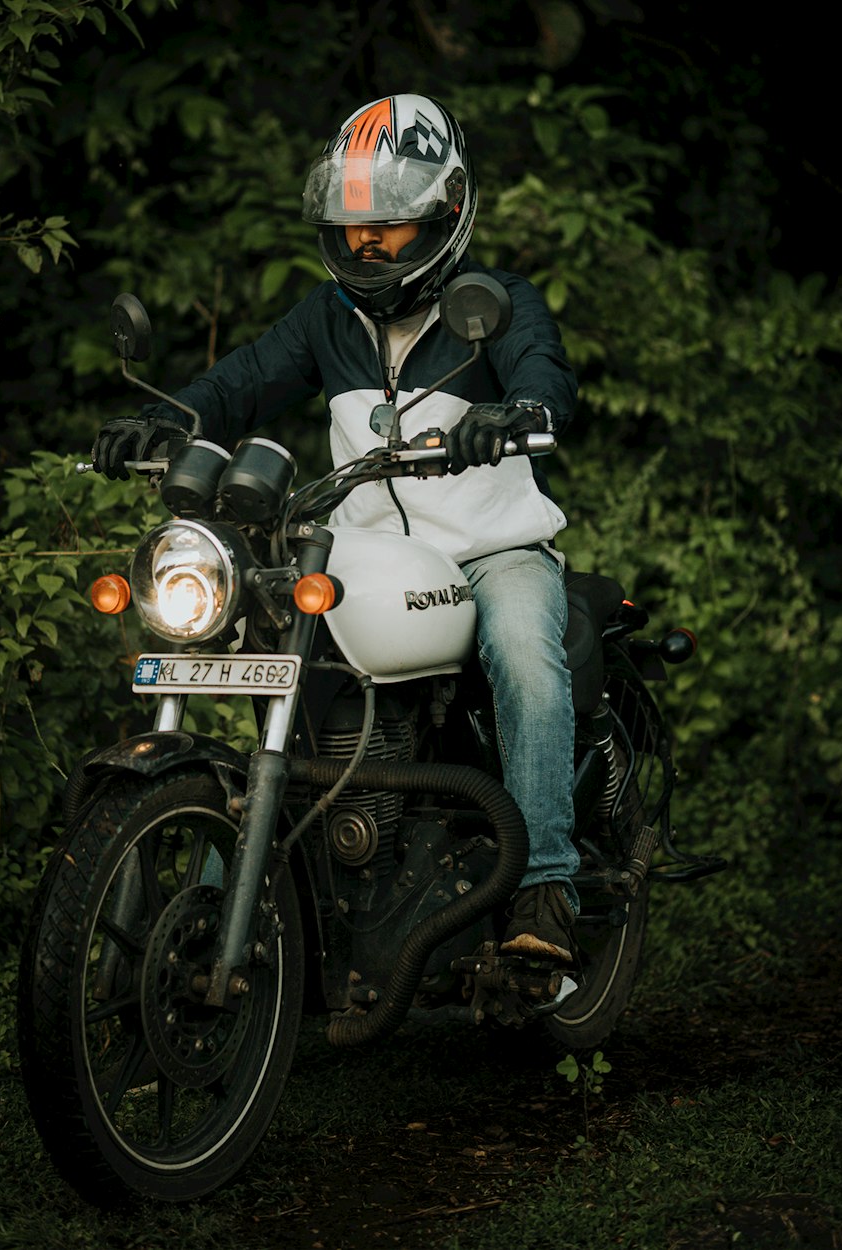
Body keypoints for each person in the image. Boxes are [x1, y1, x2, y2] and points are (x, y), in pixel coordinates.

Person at [93, 93, 580, 963]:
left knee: (528, 661)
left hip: (492, 550)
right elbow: (240, 383)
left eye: (389, 222)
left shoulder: (495, 303)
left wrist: (518, 410)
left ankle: (546, 889)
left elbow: (543, 370)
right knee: (265, 642)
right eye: (354, 222)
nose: (366, 241)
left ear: (446, 213)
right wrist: (174, 423)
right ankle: (265, 892)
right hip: (368, 559)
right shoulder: (328, 318)